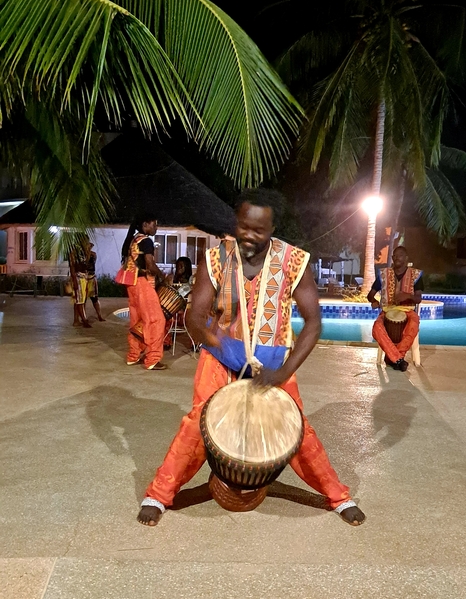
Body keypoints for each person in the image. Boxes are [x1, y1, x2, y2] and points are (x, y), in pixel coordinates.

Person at [137, 189, 366, 527]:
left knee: (297, 428)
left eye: (259, 230)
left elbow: (314, 322)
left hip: (273, 363)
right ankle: (159, 494)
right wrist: (219, 342)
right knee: (198, 424)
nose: (249, 235)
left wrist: (284, 370)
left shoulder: (294, 262)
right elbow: (194, 316)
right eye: (244, 226)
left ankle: (338, 496)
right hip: (220, 359)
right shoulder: (216, 259)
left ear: (273, 228)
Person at [121, 213, 168, 370]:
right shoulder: (146, 241)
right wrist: (163, 276)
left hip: (132, 284)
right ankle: (153, 359)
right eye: (154, 224)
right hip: (142, 283)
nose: (156, 227)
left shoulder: (134, 239)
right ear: (145, 224)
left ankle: (133, 355)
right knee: (156, 320)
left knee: (137, 321)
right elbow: (149, 264)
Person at [367, 246, 423, 371]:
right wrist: (373, 301)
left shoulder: (415, 275)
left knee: (413, 325)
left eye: (401, 255)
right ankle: (398, 359)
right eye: (395, 255)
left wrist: (407, 296)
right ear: (392, 258)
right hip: (387, 311)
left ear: (406, 258)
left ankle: (392, 357)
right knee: (376, 328)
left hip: (408, 311)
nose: (397, 257)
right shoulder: (384, 274)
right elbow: (370, 294)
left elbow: (418, 298)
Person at [69, 237, 92, 328]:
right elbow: (72, 266)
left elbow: (86, 262)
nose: (87, 243)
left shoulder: (82, 252)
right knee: (79, 300)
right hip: (78, 277)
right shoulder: (74, 252)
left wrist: (88, 251)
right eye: (85, 241)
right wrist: (74, 279)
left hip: (83, 277)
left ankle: (77, 320)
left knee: (80, 300)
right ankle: (84, 320)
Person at [85, 241, 106, 322]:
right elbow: (85, 263)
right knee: (83, 299)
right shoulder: (82, 256)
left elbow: (91, 261)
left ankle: (99, 315)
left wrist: (88, 253)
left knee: (95, 298)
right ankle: (84, 317)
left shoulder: (93, 254)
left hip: (91, 276)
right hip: (84, 278)